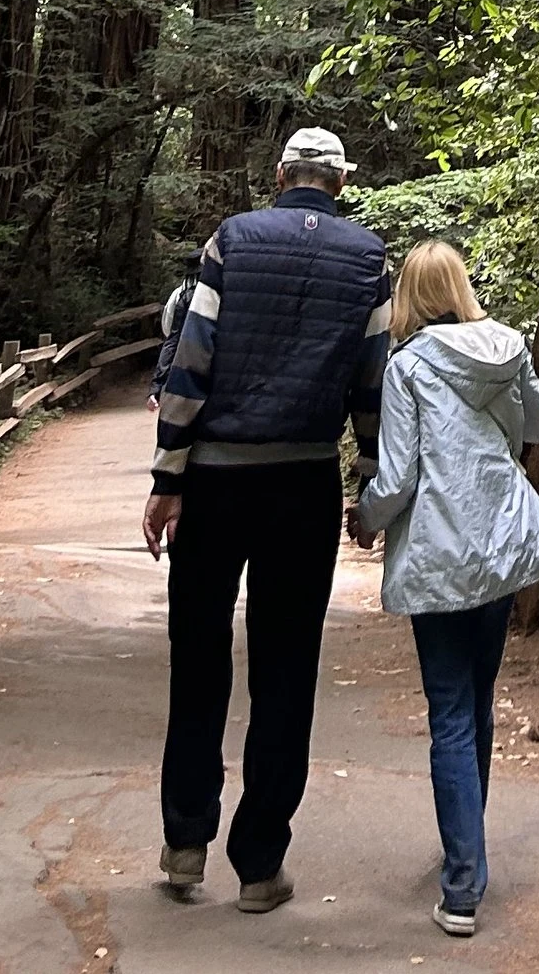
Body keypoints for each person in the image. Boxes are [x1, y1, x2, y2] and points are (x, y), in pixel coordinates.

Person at [144, 125, 390, 918]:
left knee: (199, 655)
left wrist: (166, 477)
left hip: (216, 480)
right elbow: (371, 382)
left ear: (280, 173)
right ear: (340, 182)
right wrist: (367, 483)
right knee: (286, 670)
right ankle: (259, 863)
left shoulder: (232, 240)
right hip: (303, 485)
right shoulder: (368, 258)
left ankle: (186, 841)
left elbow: (193, 357)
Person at [355, 239, 539, 939]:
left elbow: (400, 473)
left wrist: (364, 516)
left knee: (449, 707)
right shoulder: (505, 347)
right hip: (499, 547)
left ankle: (464, 879)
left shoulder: (407, 366)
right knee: (477, 695)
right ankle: (465, 844)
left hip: (441, 553)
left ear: (411, 293)